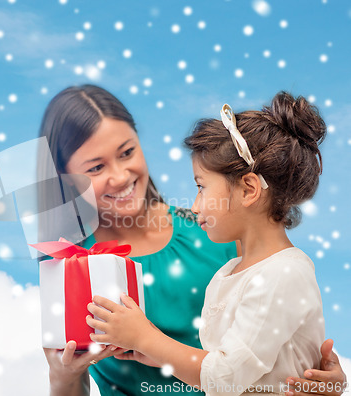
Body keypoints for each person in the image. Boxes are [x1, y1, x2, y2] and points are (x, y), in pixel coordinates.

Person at [38, 85, 347, 396]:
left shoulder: (219, 232)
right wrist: (61, 376)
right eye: (96, 167)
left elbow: (278, 342)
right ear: (64, 177)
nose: (119, 176)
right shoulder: (73, 268)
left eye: (127, 152)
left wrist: (327, 380)